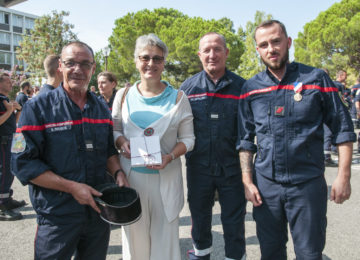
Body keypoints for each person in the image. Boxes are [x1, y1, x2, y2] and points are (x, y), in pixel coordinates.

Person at [238, 20, 356, 260]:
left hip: (307, 185)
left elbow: (343, 129)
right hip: (266, 186)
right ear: (258, 50)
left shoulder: (317, 79)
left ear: (288, 42)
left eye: (276, 41)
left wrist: (344, 176)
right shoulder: (251, 89)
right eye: (263, 44)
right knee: (270, 253)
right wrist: (247, 182)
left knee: (310, 254)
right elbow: (245, 141)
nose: (271, 48)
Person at [11, 41, 129, 260]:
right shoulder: (37, 107)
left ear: (93, 69)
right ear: (60, 67)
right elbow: (23, 163)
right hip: (57, 215)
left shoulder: (101, 108)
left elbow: (108, 152)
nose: (78, 69)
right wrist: (72, 187)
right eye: (71, 63)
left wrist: (118, 172)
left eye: (85, 64)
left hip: (97, 211)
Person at [112, 33, 194, 260]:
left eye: (157, 58)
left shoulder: (179, 98)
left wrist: (169, 156)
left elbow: (188, 140)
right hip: (131, 181)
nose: (151, 63)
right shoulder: (123, 95)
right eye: (145, 57)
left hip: (165, 179)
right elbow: (115, 129)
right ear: (136, 60)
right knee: (133, 243)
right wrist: (121, 141)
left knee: (165, 243)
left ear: (164, 62)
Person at [180, 32, 246, 260]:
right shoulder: (187, 89)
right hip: (199, 171)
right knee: (199, 223)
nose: (212, 54)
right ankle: (200, 255)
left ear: (226, 53)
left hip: (233, 171)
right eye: (206, 50)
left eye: (217, 49)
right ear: (199, 55)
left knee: (234, 225)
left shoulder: (242, 87)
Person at [0, 73, 25, 221]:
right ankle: (2, 205)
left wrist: (18, 111)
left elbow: (12, 122)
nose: (11, 84)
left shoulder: (5, 100)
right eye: (7, 82)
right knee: (4, 172)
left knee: (10, 171)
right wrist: (10, 109)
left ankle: (7, 199)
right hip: (2, 141)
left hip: (11, 138)